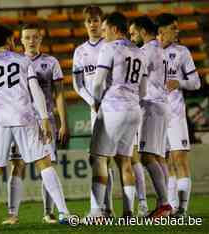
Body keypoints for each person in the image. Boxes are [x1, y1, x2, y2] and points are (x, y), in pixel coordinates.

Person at [0, 25, 70, 232]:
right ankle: (64, 212)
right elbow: (36, 91)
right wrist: (44, 118)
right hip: (25, 118)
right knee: (44, 163)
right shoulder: (23, 61)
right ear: (8, 41)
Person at [1, 23, 68, 225]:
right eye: (27, 37)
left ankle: (49, 212)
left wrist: (63, 122)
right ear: (20, 41)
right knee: (17, 165)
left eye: (35, 37)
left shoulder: (51, 62)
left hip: (45, 120)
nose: (31, 41)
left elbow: (58, 95)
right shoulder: (14, 63)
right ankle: (12, 214)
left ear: (40, 39)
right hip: (20, 121)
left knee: (47, 165)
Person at [89, 12, 147, 218]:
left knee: (99, 159)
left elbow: (97, 83)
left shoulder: (109, 48)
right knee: (125, 160)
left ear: (114, 29)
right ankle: (129, 211)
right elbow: (143, 91)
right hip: (133, 110)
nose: (103, 35)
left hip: (113, 108)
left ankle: (96, 212)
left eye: (105, 30)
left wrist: (97, 101)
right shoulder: (140, 52)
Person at [156, 13, 201, 217]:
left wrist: (179, 83)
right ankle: (171, 207)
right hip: (154, 116)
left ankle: (181, 209)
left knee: (179, 159)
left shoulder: (182, 52)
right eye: (173, 28)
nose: (178, 31)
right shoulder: (147, 51)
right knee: (166, 162)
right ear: (161, 31)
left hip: (175, 114)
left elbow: (196, 83)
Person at [72, 5, 115, 218]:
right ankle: (105, 208)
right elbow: (77, 84)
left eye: (96, 20)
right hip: (95, 109)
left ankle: (100, 209)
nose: (92, 24)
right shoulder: (80, 52)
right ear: (85, 24)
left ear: (102, 22)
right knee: (100, 158)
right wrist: (92, 101)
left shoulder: (110, 46)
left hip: (114, 107)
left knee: (105, 158)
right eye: (89, 21)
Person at [129, 15, 172, 217]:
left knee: (146, 157)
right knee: (157, 156)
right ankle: (165, 203)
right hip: (163, 105)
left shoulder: (145, 51)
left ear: (143, 32)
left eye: (133, 33)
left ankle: (164, 204)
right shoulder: (160, 49)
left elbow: (137, 80)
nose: (132, 37)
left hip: (152, 106)